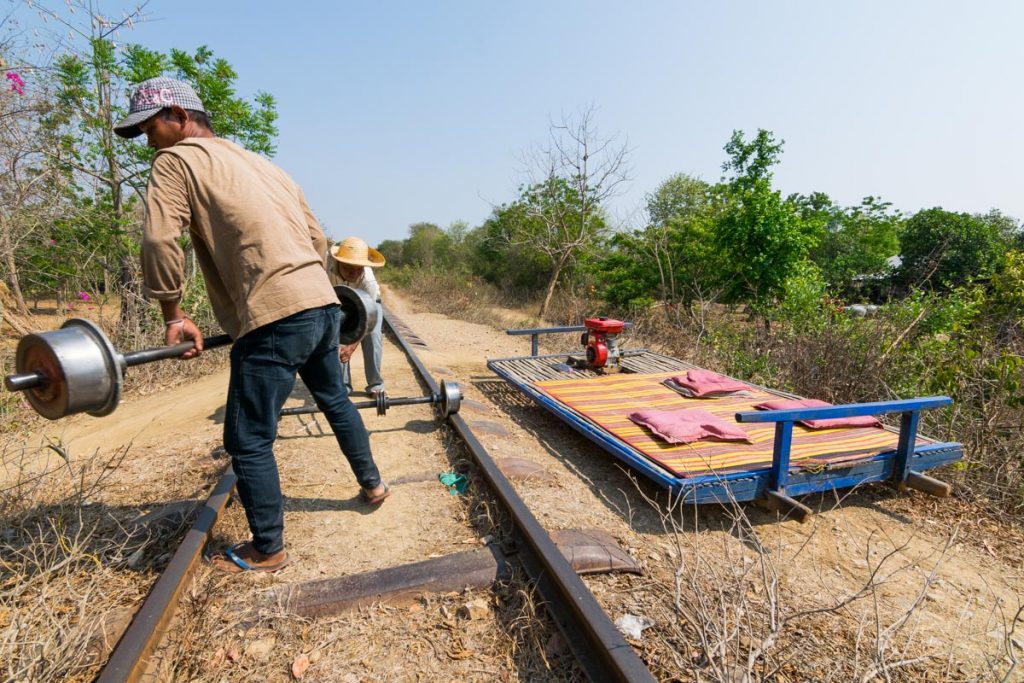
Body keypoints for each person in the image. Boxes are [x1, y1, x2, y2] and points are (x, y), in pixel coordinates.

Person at [115, 76, 390, 574]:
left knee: (248, 439)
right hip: (323, 304)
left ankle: (269, 547)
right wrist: (307, 290)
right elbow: (315, 236)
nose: (148, 141)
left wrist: (173, 314)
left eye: (150, 127)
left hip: (274, 315)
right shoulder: (265, 164)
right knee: (334, 399)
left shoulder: (175, 161)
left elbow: (159, 241)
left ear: (178, 116)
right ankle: (373, 484)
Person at [328, 237, 385, 395]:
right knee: (337, 338)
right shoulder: (325, 268)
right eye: (348, 268)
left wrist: (352, 346)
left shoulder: (369, 282)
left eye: (358, 269)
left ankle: (376, 386)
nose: (354, 273)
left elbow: (369, 320)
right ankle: (343, 386)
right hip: (339, 302)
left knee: (373, 337)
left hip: (369, 307)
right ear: (338, 262)